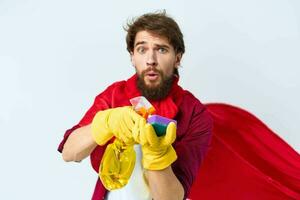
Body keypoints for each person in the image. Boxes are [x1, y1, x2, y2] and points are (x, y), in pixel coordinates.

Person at [58, 11, 213, 200]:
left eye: (161, 49)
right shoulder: (113, 96)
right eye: (142, 49)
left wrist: (157, 155)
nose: (151, 60)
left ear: (177, 58)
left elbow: (173, 197)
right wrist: (106, 122)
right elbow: (70, 152)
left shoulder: (195, 114)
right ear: (132, 56)